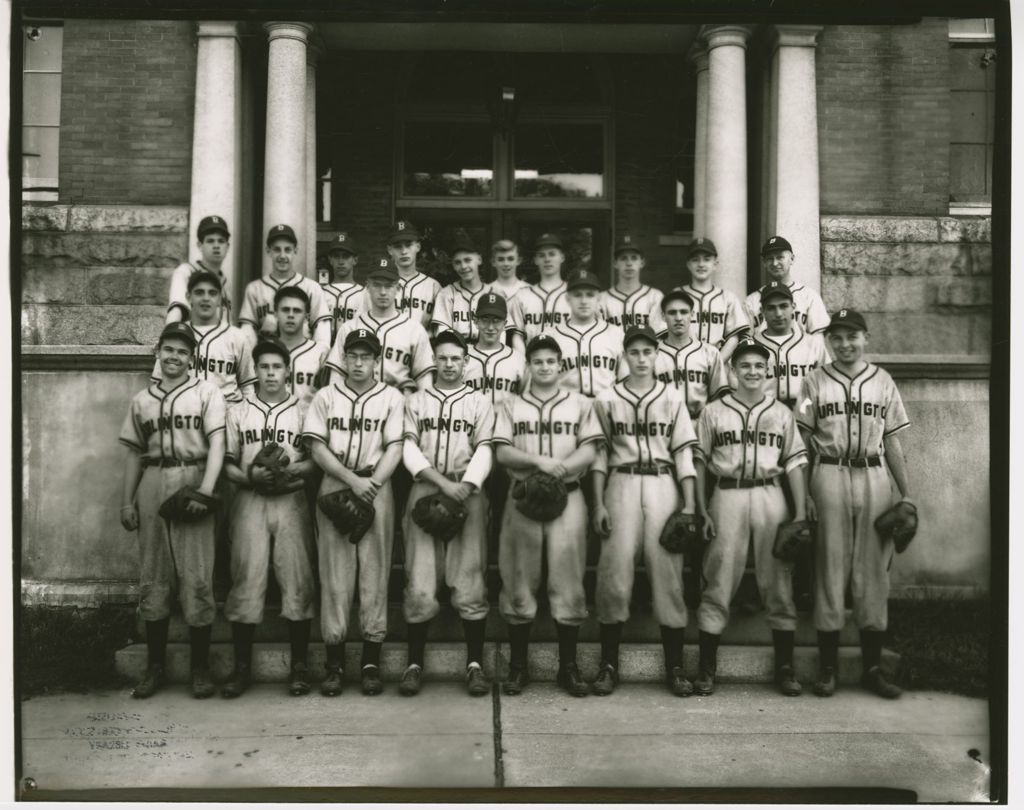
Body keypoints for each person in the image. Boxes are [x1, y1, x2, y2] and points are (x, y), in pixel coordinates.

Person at [795, 309, 914, 700]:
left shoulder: (882, 381)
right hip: (829, 473)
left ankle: (873, 669)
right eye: (838, 337)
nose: (845, 344)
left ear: (866, 337)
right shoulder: (813, 381)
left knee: (873, 574)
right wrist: (806, 495)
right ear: (828, 341)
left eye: (852, 336)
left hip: (875, 474)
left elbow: (893, 440)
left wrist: (906, 493)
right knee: (829, 569)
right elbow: (803, 442)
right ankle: (828, 669)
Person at [692, 337, 809, 697]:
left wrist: (801, 513)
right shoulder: (714, 411)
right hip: (726, 493)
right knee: (719, 575)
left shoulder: (782, 413)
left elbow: (794, 464)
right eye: (745, 365)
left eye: (759, 365)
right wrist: (699, 507)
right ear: (732, 369)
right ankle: (707, 667)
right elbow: (698, 461)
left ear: (769, 371)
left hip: (770, 493)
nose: (752, 371)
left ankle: (785, 667)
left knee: (778, 579)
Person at [589, 325, 699, 697]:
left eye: (647, 352)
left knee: (668, 574)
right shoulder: (606, 397)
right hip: (621, 482)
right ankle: (608, 665)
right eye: (634, 352)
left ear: (657, 355)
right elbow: (599, 454)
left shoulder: (672, 396)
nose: (640, 358)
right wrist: (598, 501)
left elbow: (684, 453)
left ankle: (675, 666)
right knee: (614, 572)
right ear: (625, 355)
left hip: (662, 483)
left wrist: (690, 505)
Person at [118, 322, 226, 699]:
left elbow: (217, 445)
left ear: (192, 357)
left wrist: (207, 492)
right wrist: (126, 500)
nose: (175, 357)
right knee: (154, 575)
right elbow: (134, 454)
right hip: (153, 480)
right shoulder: (142, 400)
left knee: (197, 577)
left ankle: (199, 668)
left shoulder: (207, 392)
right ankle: (154, 667)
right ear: (158, 353)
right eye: (169, 349)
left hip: (191, 477)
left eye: (182, 351)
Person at [494, 334, 603, 696]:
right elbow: (503, 454)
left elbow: (590, 450)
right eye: (537, 361)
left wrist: (560, 469)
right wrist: (539, 463)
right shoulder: (510, 404)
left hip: (568, 497)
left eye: (550, 361)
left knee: (569, 580)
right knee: (519, 579)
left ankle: (568, 668)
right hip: (523, 497)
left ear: (561, 365)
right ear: (528, 366)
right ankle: (518, 667)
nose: (544, 367)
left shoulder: (580, 404)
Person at [302, 328, 407, 696]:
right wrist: (351, 480)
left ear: (377, 361)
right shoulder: (325, 397)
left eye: (366, 356)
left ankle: (370, 662)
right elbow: (316, 448)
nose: (359, 362)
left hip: (377, 485)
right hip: (336, 483)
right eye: (353, 356)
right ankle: (334, 664)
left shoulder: (391, 397)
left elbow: (395, 448)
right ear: (343, 359)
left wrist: (371, 485)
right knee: (334, 575)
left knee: (375, 574)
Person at [399, 330, 496, 697]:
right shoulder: (417, 401)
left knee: (469, 578)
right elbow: (408, 449)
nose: (449, 364)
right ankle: (413, 664)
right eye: (442, 358)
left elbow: (485, 449)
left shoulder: (479, 401)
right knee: (420, 581)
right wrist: (442, 484)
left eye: (456, 358)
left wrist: (465, 487)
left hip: (466, 488)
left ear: (466, 361)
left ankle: (474, 665)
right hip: (426, 486)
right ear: (433, 361)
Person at [219, 336, 317, 698]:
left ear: (288, 370)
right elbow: (225, 464)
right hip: (249, 500)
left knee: (298, 577)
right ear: (254, 370)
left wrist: (292, 471)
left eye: (277, 366)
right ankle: (242, 667)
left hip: (291, 500)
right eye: (264, 366)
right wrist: (250, 477)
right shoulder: (238, 410)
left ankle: (299, 666)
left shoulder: (304, 409)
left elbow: (316, 459)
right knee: (246, 577)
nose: (270, 373)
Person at [325, 259, 435, 395]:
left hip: (400, 402)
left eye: (388, 286)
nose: (383, 292)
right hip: (356, 402)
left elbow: (424, 380)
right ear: (367, 288)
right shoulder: (349, 328)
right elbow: (337, 377)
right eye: (377, 285)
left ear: (398, 289)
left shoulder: (415, 329)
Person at [151, 270, 255, 406]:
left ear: (219, 299)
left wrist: (244, 419)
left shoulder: (237, 337)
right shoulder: (175, 335)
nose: (206, 298)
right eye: (199, 292)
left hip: (227, 415)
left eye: (212, 293)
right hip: (185, 416)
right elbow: (158, 382)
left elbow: (247, 387)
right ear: (188, 297)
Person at [238, 224, 331, 349]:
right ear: (268, 251)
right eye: (277, 249)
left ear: (295, 251)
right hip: (266, 357)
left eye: (287, 250)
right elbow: (247, 332)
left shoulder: (312, 288)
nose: (282, 256)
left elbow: (322, 331)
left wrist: (315, 358)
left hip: (303, 355)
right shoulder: (255, 289)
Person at [546, 269, 626, 398]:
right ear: (567, 298)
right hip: (565, 408)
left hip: (606, 407)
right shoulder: (551, 336)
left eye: (590, 295)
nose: (584, 301)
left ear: (599, 298)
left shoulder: (616, 334)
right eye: (577, 295)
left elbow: (625, 381)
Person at [432, 239, 521, 351]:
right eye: (457, 262)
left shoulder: (496, 293)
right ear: (453, 265)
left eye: (468, 260)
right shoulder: (446, 294)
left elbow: (502, 333)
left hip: (489, 352)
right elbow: (443, 335)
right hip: (457, 353)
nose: (463, 266)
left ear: (479, 259)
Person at [654, 289, 730, 419]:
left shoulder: (710, 353)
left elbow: (719, 401)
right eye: (672, 313)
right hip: (663, 425)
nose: (678, 318)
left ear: (692, 314)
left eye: (684, 312)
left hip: (699, 422)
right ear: (663, 316)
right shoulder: (653, 355)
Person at [674, 237, 750, 363]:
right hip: (684, 364)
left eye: (707, 259)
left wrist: (717, 362)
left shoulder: (728, 298)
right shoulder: (677, 295)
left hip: (719, 362)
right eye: (695, 260)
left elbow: (734, 337)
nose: (701, 264)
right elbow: (666, 334)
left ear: (715, 264)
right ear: (688, 264)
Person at [745, 236, 830, 334]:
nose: (775, 263)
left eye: (780, 257)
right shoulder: (751, 302)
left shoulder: (809, 297)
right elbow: (746, 341)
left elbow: (820, 337)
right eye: (769, 259)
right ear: (764, 263)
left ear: (792, 259)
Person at [508, 233, 575, 345]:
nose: (547, 259)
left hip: (567, 359)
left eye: (552, 254)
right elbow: (517, 336)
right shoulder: (522, 296)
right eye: (542, 255)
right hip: (532, 359)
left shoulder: (575, 294)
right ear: (535, 260)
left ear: (562, 257)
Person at [166, 215, 231, 325]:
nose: (216, 246)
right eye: (210, 241)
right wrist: (168, 337)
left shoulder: (226, 283)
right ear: (200, 245)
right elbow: (176, 311)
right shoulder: (185, 272)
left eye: (221, 241)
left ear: (227, 246)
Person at [272, 286, 330, 407]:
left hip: (309, 422)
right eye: (285, 310)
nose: (291, 315)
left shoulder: (321, 353)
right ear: (276, 314)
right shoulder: (264, 351)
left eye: (297, 310)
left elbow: (329, 397)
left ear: (307, 317)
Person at [601, 236, 665, 334]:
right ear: (615, 263)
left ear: (642, 262)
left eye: (634, 258)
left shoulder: (655, 297)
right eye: (623, 258)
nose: (629, 263)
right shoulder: (602, 299)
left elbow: (659, 334)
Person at [387, 220, 441, 328]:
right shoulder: (380, 285)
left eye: (408, 245)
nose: (403, 251)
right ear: (390, 250)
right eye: (398, 246)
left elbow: (440, 328)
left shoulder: (433, 286)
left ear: (418, 247)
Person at [320, 231, 366, 342]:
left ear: (355, 260)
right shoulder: (320, 293)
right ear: (330, 260)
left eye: (346, 256)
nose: (341, 261)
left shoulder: (365, 294)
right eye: (336, 256)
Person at [489, 239, 531, 306]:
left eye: (510, 259)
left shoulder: (530, 290)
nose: (506, 264)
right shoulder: (487, 291)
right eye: (501, 259)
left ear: (518, 261)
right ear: (493, 262)